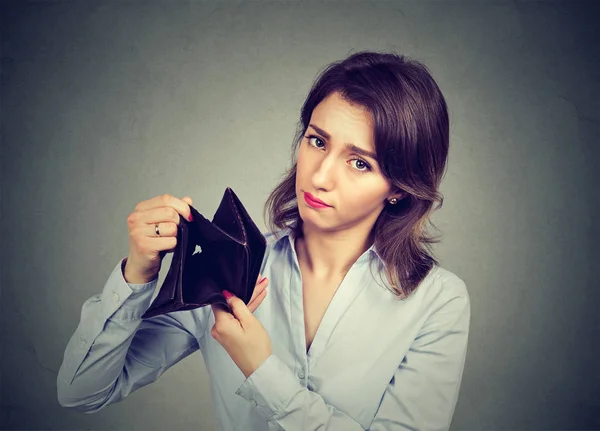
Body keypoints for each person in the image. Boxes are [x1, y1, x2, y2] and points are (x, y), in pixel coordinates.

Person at [57, 51, 470, 431]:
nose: (321, 175)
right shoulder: (228, 266)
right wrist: (137, 275)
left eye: (359, 162)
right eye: (317, 141)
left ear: (399, 187)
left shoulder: (437, 301)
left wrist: (260, 368)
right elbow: (83, 392)